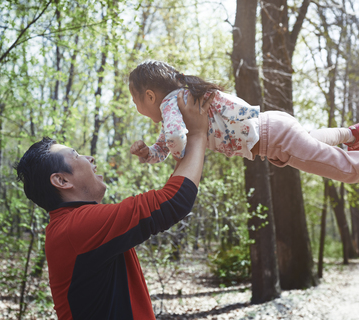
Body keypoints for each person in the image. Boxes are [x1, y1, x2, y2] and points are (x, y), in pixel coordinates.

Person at [14, 93, 213, 320]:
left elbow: (169, 198)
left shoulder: (71, 225)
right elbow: (173, 201)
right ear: (61, 181)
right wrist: (198, 133)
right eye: (76, 155)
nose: (89, 158)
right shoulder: (77, 227)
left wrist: (181, 146)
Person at [129, 60, 359, 183]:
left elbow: (176, 140)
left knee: (348, 170)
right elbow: (166, 141)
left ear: (150, 96)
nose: (137, 107)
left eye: (136, 101)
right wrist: (150, 155)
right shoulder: (183, 98)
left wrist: (176, 159)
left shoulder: (173, 105)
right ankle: (351, 133)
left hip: (274, 139)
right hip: (274, 124)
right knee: (311, 139)